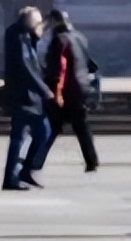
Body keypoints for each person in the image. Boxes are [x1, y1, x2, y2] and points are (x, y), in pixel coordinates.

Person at [41, 9, 100, 173]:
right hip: (81, 88)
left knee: (52, 126)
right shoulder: (79, 37)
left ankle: (36, 159)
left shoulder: (58, 40)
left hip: (66, 90)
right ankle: (92, 161)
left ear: (54, 21)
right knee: (81, 126)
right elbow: (87, 62)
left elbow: (57, 67)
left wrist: (49, 85)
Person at [1, 6, 53, 190]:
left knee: (43, 132)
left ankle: (24, 171)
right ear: (31, 23)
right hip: (23, 96)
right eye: (38, 23)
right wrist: (43, 89)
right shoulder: (18, 37)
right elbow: (25, 68)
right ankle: (11, 177)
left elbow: (33, 64)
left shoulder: (25, 36)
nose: (41, 27)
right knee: (19, 137)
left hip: (30, 98)